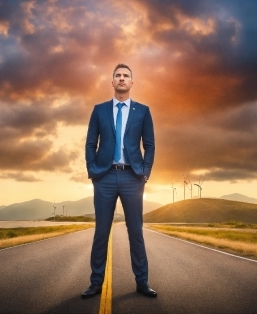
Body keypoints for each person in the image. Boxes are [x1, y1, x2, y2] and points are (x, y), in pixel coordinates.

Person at [82, 64, 156, 298]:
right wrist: (93, 170)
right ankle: (95, 283)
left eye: (126, 76)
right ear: (111, 81)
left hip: (132, 178)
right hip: (104, 177)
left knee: (135, 231)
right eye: (118, 76)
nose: (122, 79)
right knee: (101, 231)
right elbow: (90, 144)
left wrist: (144, 172)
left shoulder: (142, 111)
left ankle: (142, 282)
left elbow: (150, 145)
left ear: (132, 82)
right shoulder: (99, 110)